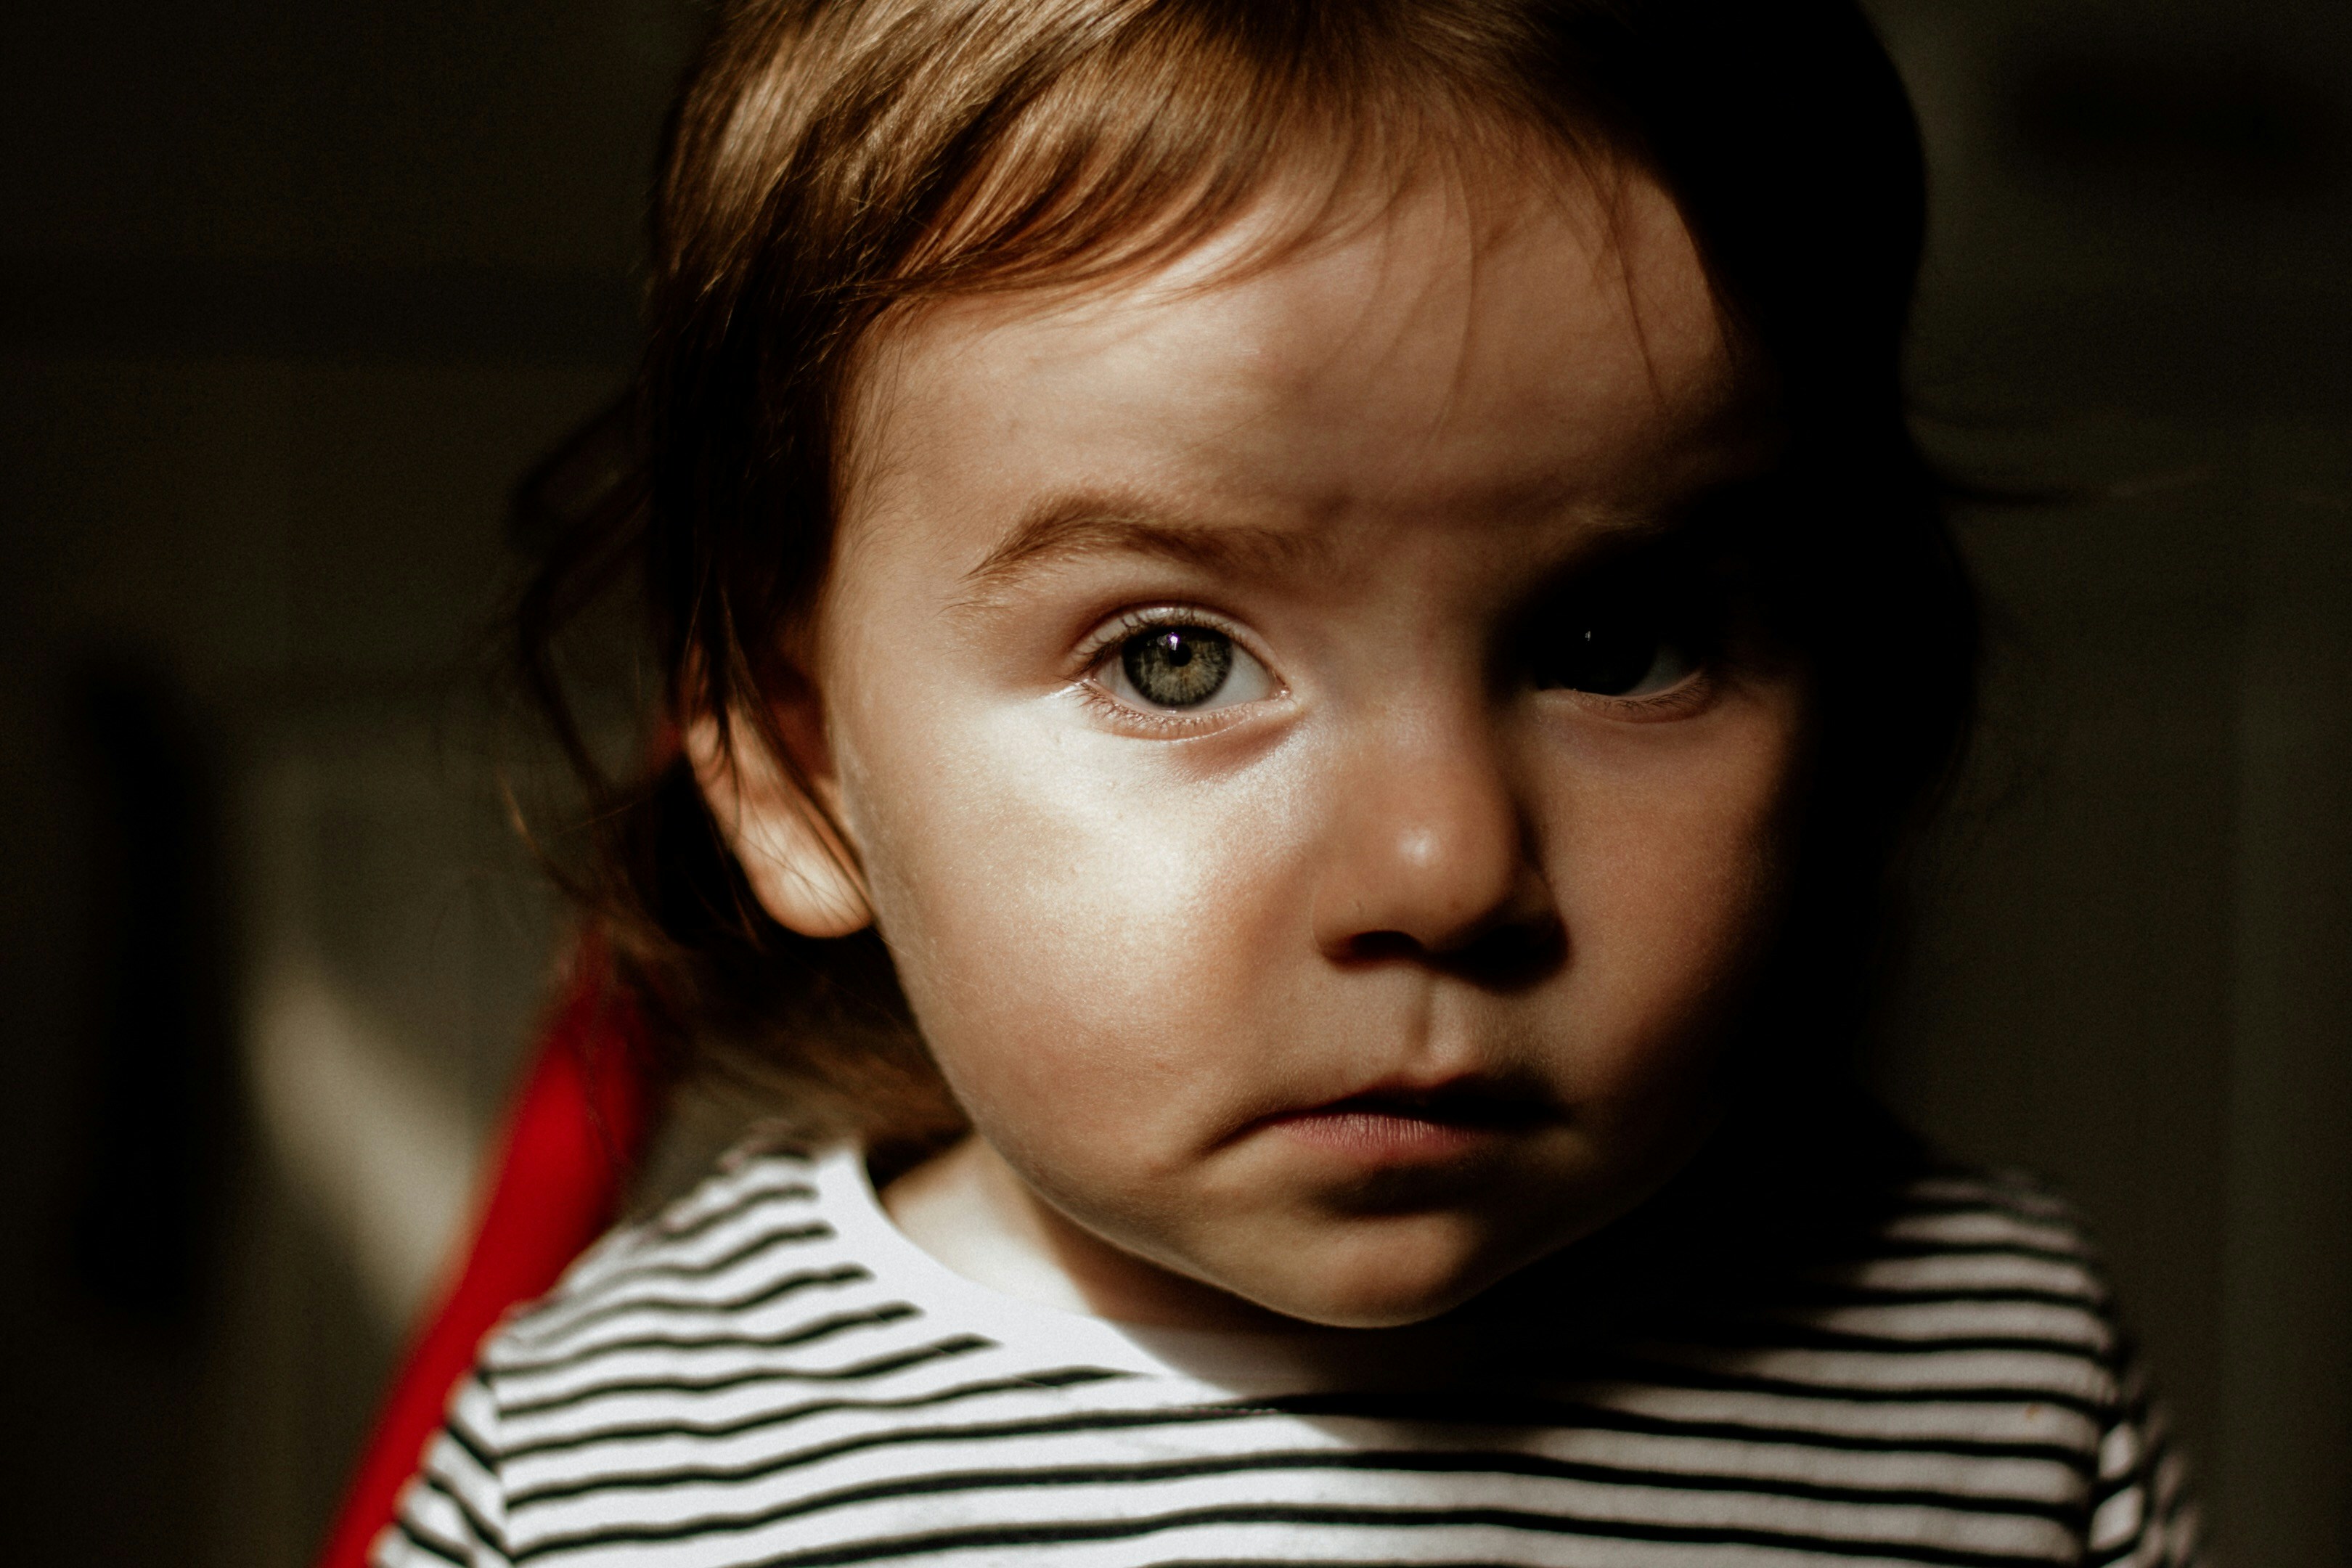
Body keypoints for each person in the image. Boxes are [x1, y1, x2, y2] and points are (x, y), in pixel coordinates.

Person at [376, 0, 2201, 1562]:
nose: (1441, 864)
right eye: (1175, 658)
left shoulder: (1989, 1377)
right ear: (795, 764)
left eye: (1618, 644)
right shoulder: (621, 1461)